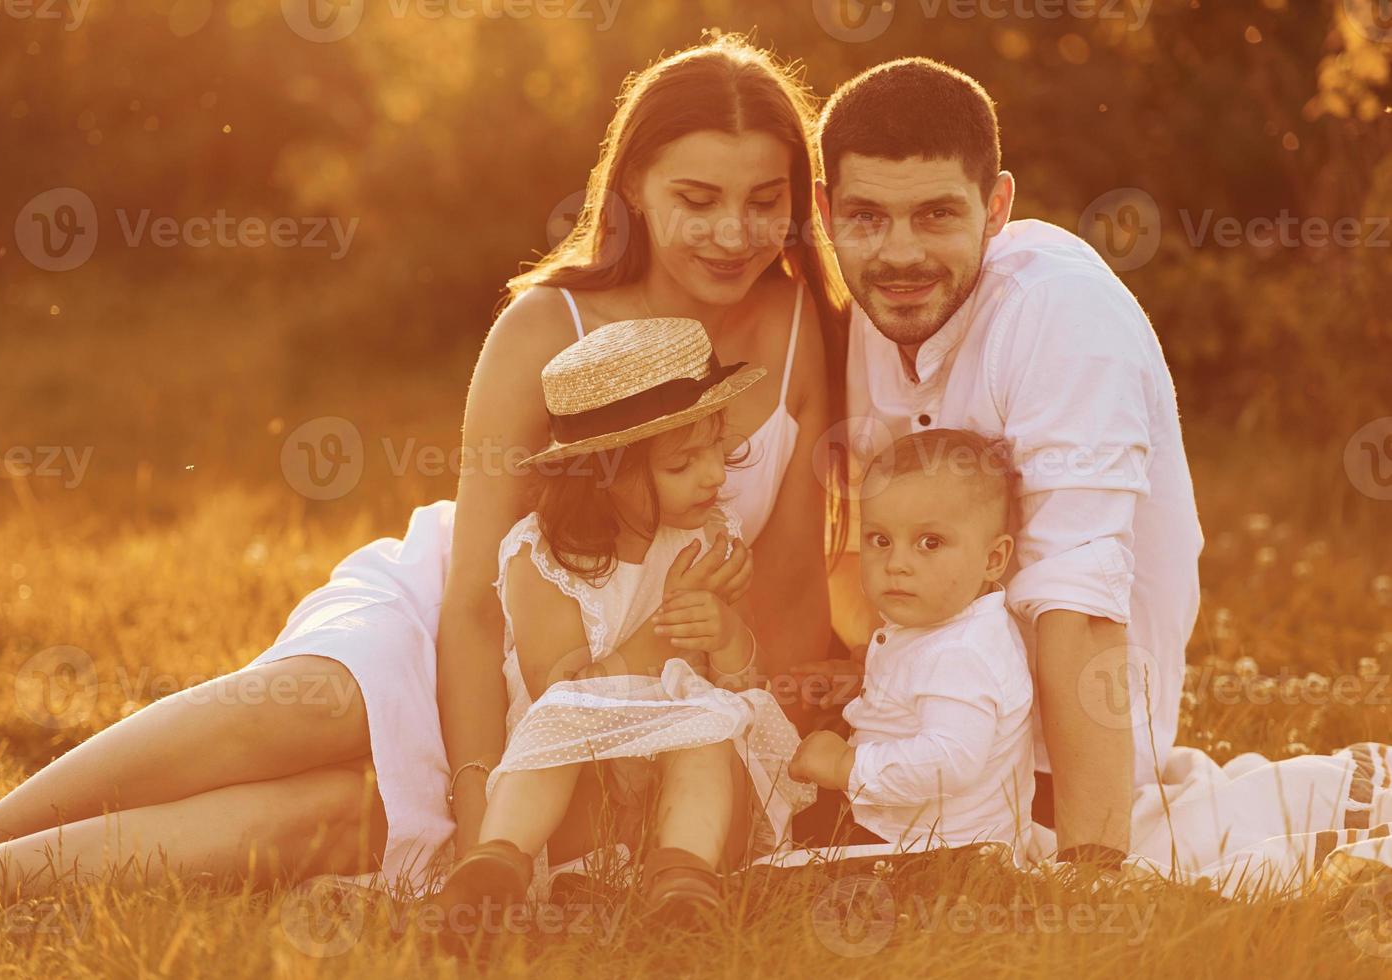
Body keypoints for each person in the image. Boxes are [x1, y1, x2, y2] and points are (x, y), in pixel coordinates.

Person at [0, 34, 844, 900]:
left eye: (766, 200)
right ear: (634, 184)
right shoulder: (546, 326)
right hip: (463, 613)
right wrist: (483, 805)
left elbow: (797, 589)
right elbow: (479, 600)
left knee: (339, 814)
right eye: (698, 199)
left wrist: (753, 755)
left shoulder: (804, 332)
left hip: (621, 668)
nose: (735, 232)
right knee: (314, 707)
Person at [810, 57, 1204, 866]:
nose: (900, 253)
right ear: (825, 212)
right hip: (918, 734)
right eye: (866, 218)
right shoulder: (871, 314)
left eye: (935, 215)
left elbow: (1079, 597)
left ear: (996, 208)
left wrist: (1092, 868)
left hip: (1058, 762)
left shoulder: (1059, 314)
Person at [432, 318, 811, 936]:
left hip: (701, 805)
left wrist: (724, 634)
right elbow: (571, 691)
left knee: (704, 725)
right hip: (589, 796)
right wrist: (671, 615)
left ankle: (682, 884)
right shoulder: (542, 562)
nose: (715, 475)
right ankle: (495, 868)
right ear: (604, 476)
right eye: (684, 461)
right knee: (558, 724)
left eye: (717, 446)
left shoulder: (711, 534)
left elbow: (745, 685)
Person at [788, 429, 1033, 855]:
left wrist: (847, 766)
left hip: (935, 847)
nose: (897, 564)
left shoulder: (961, 653)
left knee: (785, 861)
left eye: (930, 543)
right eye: (880, 540)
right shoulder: (942, 627)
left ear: (993, 559)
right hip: (903, 825)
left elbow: (949, 761)